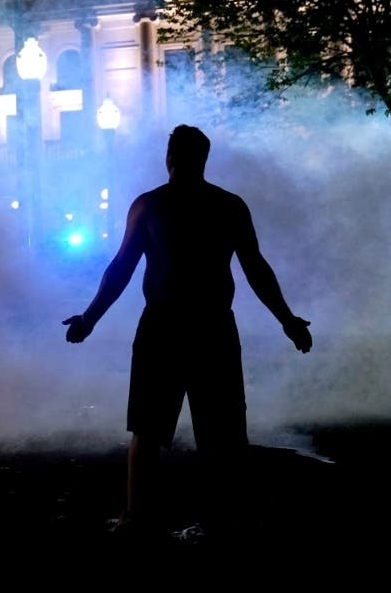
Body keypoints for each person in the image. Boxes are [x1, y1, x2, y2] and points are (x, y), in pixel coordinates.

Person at [62, 124, 312, 538]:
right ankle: (221, 521)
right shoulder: (228, 206)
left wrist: (90, 318)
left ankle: (138, 516)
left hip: (164, 326)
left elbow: (121, 269)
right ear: (203, 159)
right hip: (212, 327)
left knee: (148, 430)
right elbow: (256, 269)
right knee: (222, 436)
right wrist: (287, 320)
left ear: (170, 157)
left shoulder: (150, 206)